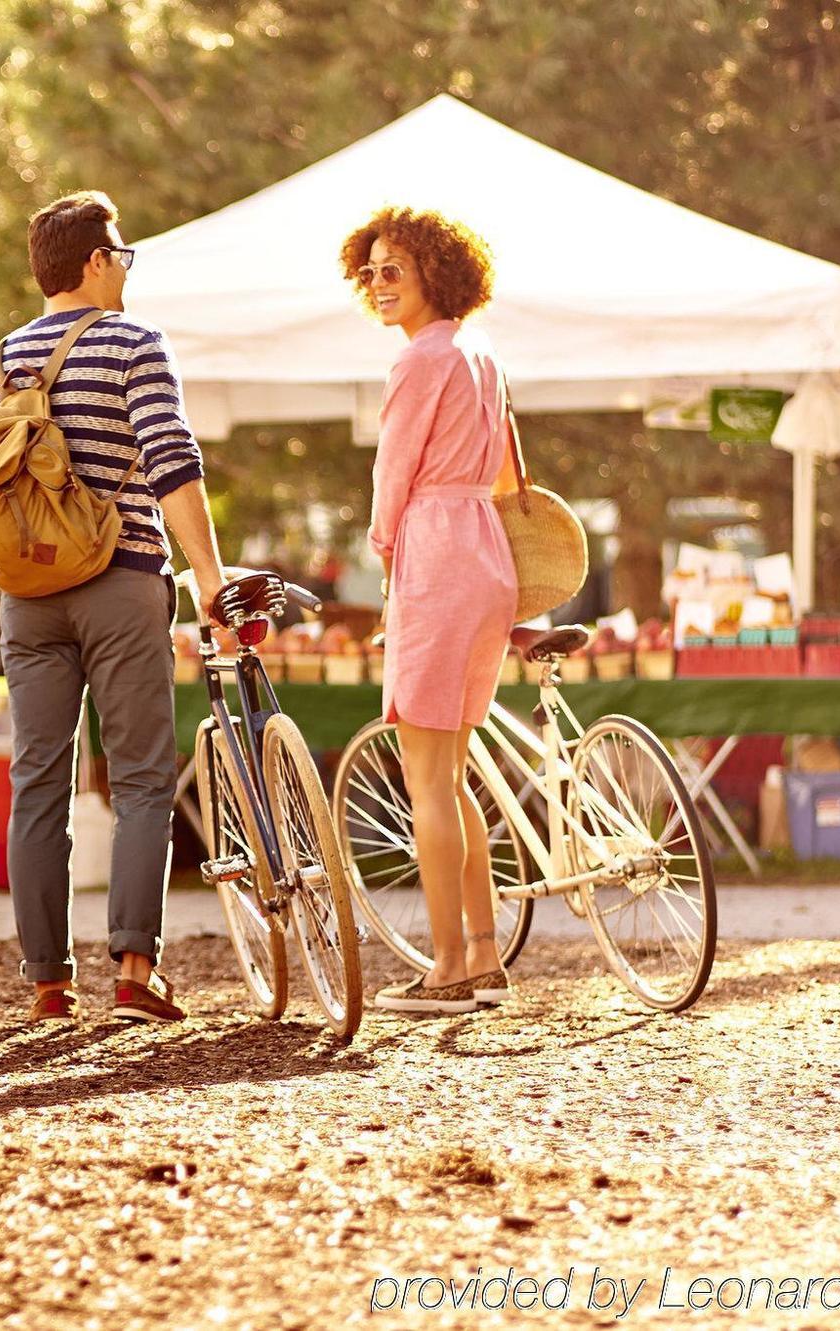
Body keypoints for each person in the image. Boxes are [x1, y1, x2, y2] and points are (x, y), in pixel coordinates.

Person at [0, 191, 230, 1025]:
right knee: (144, 777)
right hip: (120, 579)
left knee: (38, 780)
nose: (124, 268)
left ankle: (48, 980)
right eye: (121, 254)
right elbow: (170, 461)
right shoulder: (133, 344)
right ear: (92, 262)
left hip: (27, 597)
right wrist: (212, 580)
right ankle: (133, 968)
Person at [341, 206, 518, 1015]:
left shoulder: (418, 361)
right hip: (489, 550)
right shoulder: (482, 354)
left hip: (439, 550)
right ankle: (482, 953)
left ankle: (448, 964)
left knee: (426, 778)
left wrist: (385, 550)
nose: (378, 285)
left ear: (432, 277)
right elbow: (512, 476)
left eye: (393, 271)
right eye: (371, 271)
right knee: (452, 774)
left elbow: (391, 479)